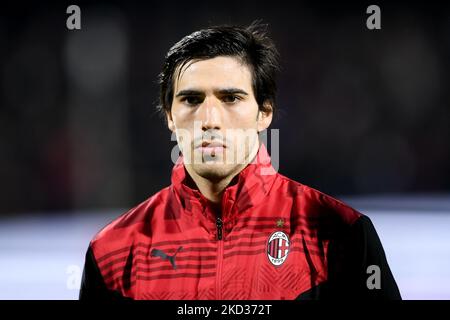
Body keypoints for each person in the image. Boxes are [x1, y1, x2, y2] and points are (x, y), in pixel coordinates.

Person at [79, 21, 401, 300]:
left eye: (230, 98)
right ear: (170, 117)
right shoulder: (114, 253)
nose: (209, 119)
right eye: (191, 99)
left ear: (264, 112)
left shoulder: (337, 235)